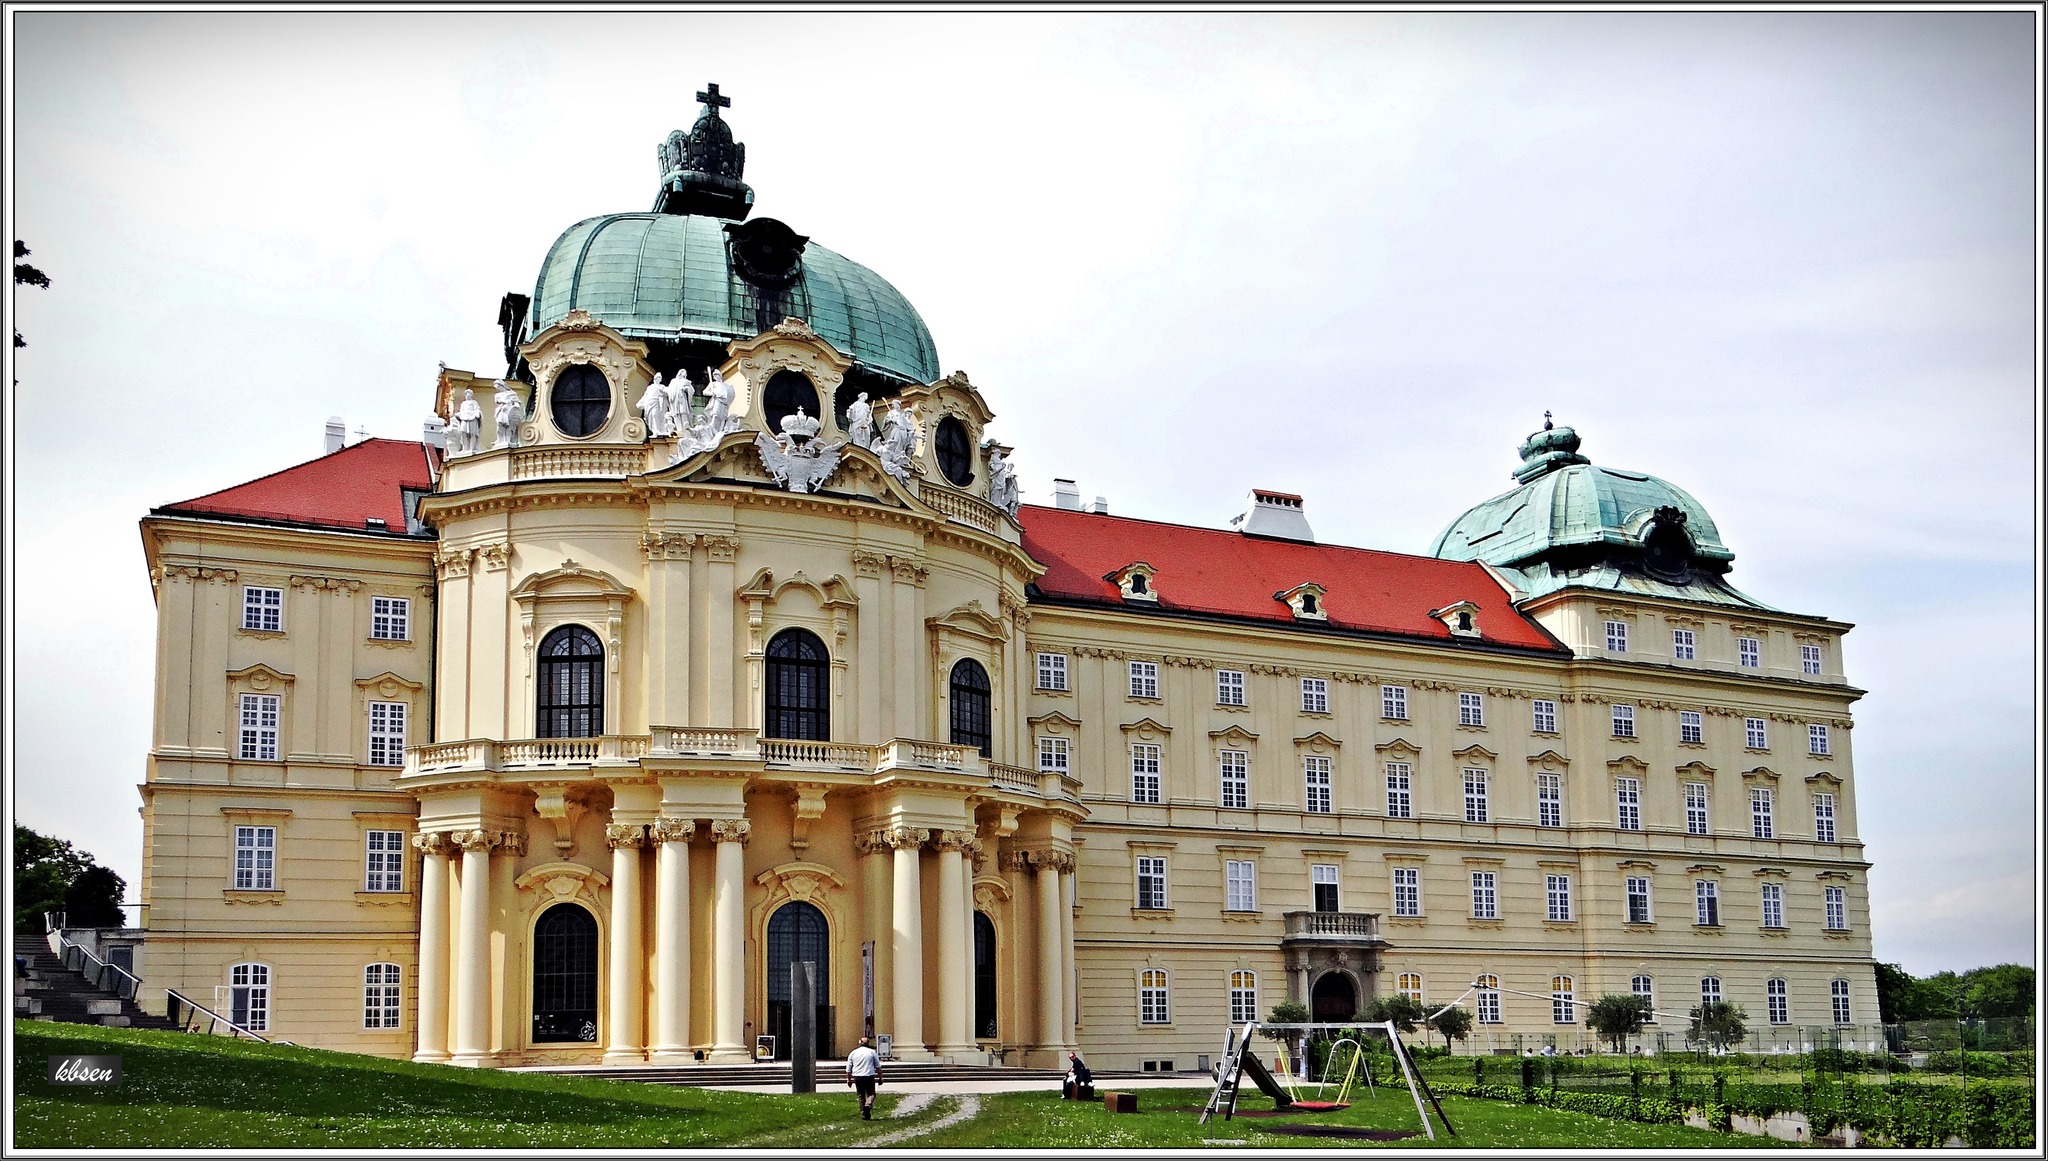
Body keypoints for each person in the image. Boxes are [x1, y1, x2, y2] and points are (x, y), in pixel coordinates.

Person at [845, 1035, 883, 1120]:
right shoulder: (872, 1052)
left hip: (858, 1076)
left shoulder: (853, 1053)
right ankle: (868, 1104)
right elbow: (878, 1067)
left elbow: (848, 1069)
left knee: (861, 1096)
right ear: (868, 1043)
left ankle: (864, 1114)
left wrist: (849, 1080)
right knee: (871, 1094)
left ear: (859, 1043)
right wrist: (880, 1078)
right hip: (869, 1076)